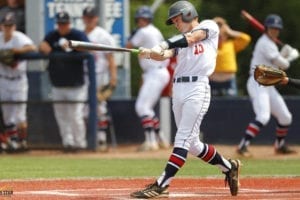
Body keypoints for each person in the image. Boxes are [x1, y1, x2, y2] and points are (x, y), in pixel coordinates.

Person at [131, 1, 241, 198]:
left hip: (197, 89)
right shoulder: (179, 41)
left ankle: (162, 184)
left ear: (189, 14)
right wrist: (149, 53)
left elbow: (190, 38)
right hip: (178, 89)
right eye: (173, 21)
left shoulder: (208, 26)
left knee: (181, 139)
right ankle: (228, 166)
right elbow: (166, 53)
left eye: (176, 19)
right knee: (192, 145)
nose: (175, 23)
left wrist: (162, 44)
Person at [236, 14, 299, 157]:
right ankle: (242, 146)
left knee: (286, 117)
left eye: (277, 28)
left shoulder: (271, 44)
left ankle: (280, 145)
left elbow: (276, 68)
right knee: (263, 116)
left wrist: (283, 54)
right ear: (266, 28)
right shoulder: (265, 43)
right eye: (272, 28)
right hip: (257, 83)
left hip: (268, 84)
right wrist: (291, 56)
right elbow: (283, 64)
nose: (275, 31)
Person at [39, 11, 89, 152]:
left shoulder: (77, 35)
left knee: (75, 116)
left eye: (64, 23)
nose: (62, 26)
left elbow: (88, 48)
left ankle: (80, 143)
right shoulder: (52, 35)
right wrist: (47, 48)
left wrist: (72, 46)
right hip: (57, 84)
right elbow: (42, 45)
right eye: (60, 23)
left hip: (76, 84)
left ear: (69, 23)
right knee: (61, 116)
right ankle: (68, 143)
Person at [126, 5, 171, 151]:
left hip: (155, 72)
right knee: (148, 108)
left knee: (141, 107)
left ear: (146, 19)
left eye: (142, 19)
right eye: (139, 19)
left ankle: (151, 142)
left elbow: (128, 45)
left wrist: (132, 35)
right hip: (158, 72)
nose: (140, 21)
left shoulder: (144, 31)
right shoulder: (154, 30)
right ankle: (161, 139)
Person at [82, 6, 118, 151]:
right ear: (83, 18)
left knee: (100, 109)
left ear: (96, 18)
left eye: (92, 17)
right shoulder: (80, 35)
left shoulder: (103, 35)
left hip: (99, 76)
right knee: (83, 111)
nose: (89, 19)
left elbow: (110, 58)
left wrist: (113, 78)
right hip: (83, 78)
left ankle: (101, 140)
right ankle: (90, 139)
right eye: (87, 17)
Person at [0, 12, 36, 152]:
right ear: (1, 26)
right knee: (8, 115)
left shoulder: (19, 37)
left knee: (20, 115)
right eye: (5, 25)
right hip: (3, 80)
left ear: (14, 26)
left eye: (10, 25)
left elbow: (33, 48)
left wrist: (16, 51)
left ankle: (23, 142)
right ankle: (13, 142)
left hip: (19, 80)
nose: (8, 28)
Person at [209, 17, 251, 96]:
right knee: (210, 106)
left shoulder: (231, 44)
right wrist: (211, 27)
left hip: (229, 81)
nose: (219, 37)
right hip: (212, 82)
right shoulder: (209, 46)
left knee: (232, 105)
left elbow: (246, 38)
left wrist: (229, 31)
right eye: (217, 35)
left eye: (221, 35)